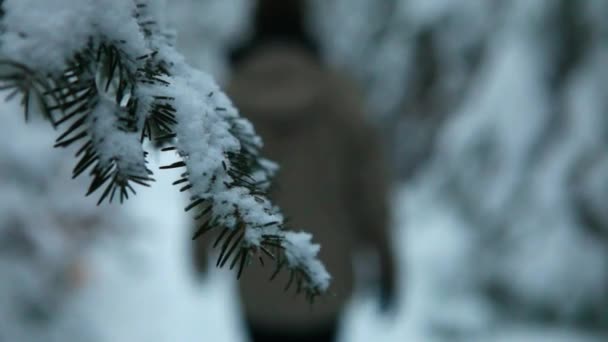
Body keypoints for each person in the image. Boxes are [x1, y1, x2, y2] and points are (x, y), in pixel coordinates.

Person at [193, 0, 397, 341]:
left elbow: (208, 185)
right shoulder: (340, 97)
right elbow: (370, 190)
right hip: (325, 285)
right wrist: (386, 257)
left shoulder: (229, 97)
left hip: (258, 288)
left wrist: (199, 249)